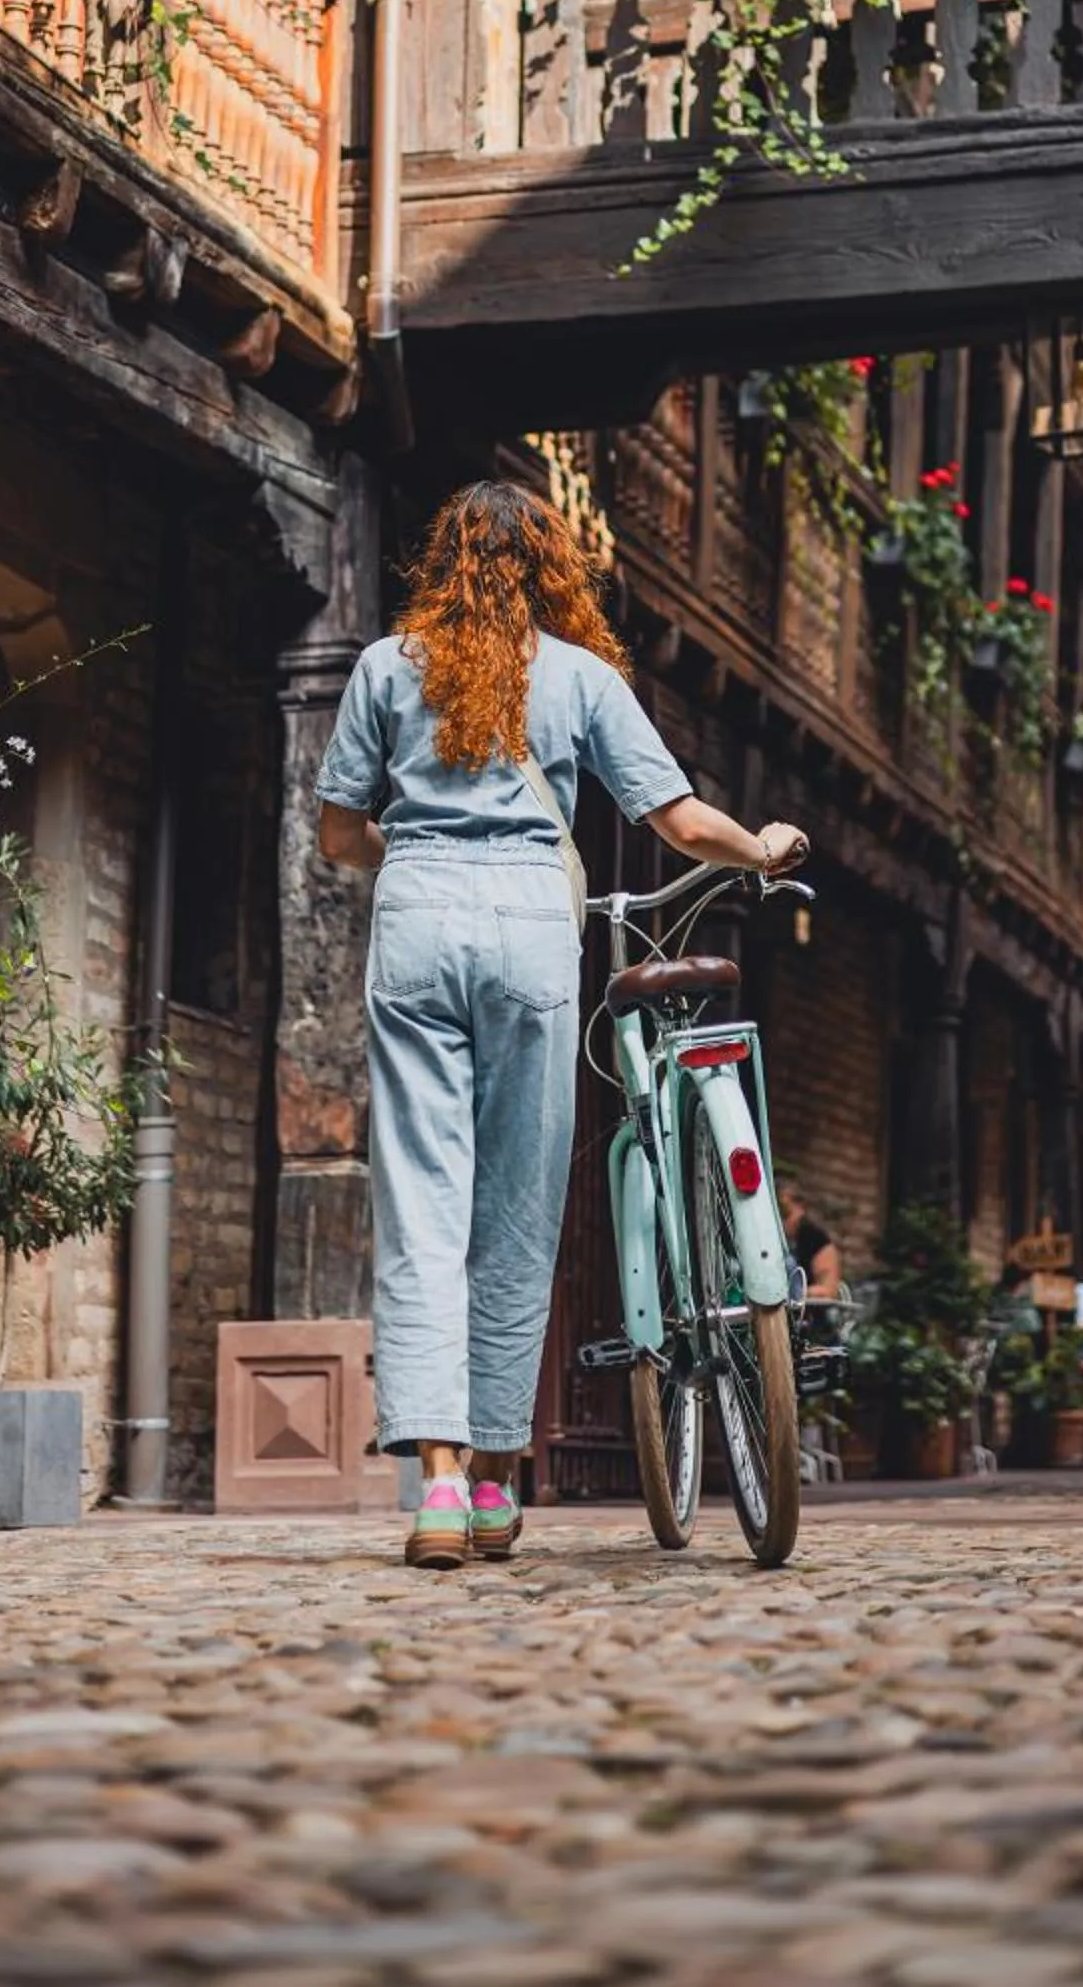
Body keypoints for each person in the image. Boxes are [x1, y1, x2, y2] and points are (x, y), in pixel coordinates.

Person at [316, 480, 808, 1570]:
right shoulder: (581, 677)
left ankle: (439, 1488)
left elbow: (340, 836)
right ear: (550, 570)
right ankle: (497, 1478)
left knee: (422, 1207)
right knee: (518, 1206)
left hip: (416, 917)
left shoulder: (384, 668)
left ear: (442, 563)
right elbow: (679, 821)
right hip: (532, 925)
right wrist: (765, 849)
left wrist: (419, 851)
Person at [778, 1176, 843, 1301]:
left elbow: (827, 1290)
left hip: (810, 1305)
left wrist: (795, 1293)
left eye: (786, 1215)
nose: (783, 1222)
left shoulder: (813, 1237)